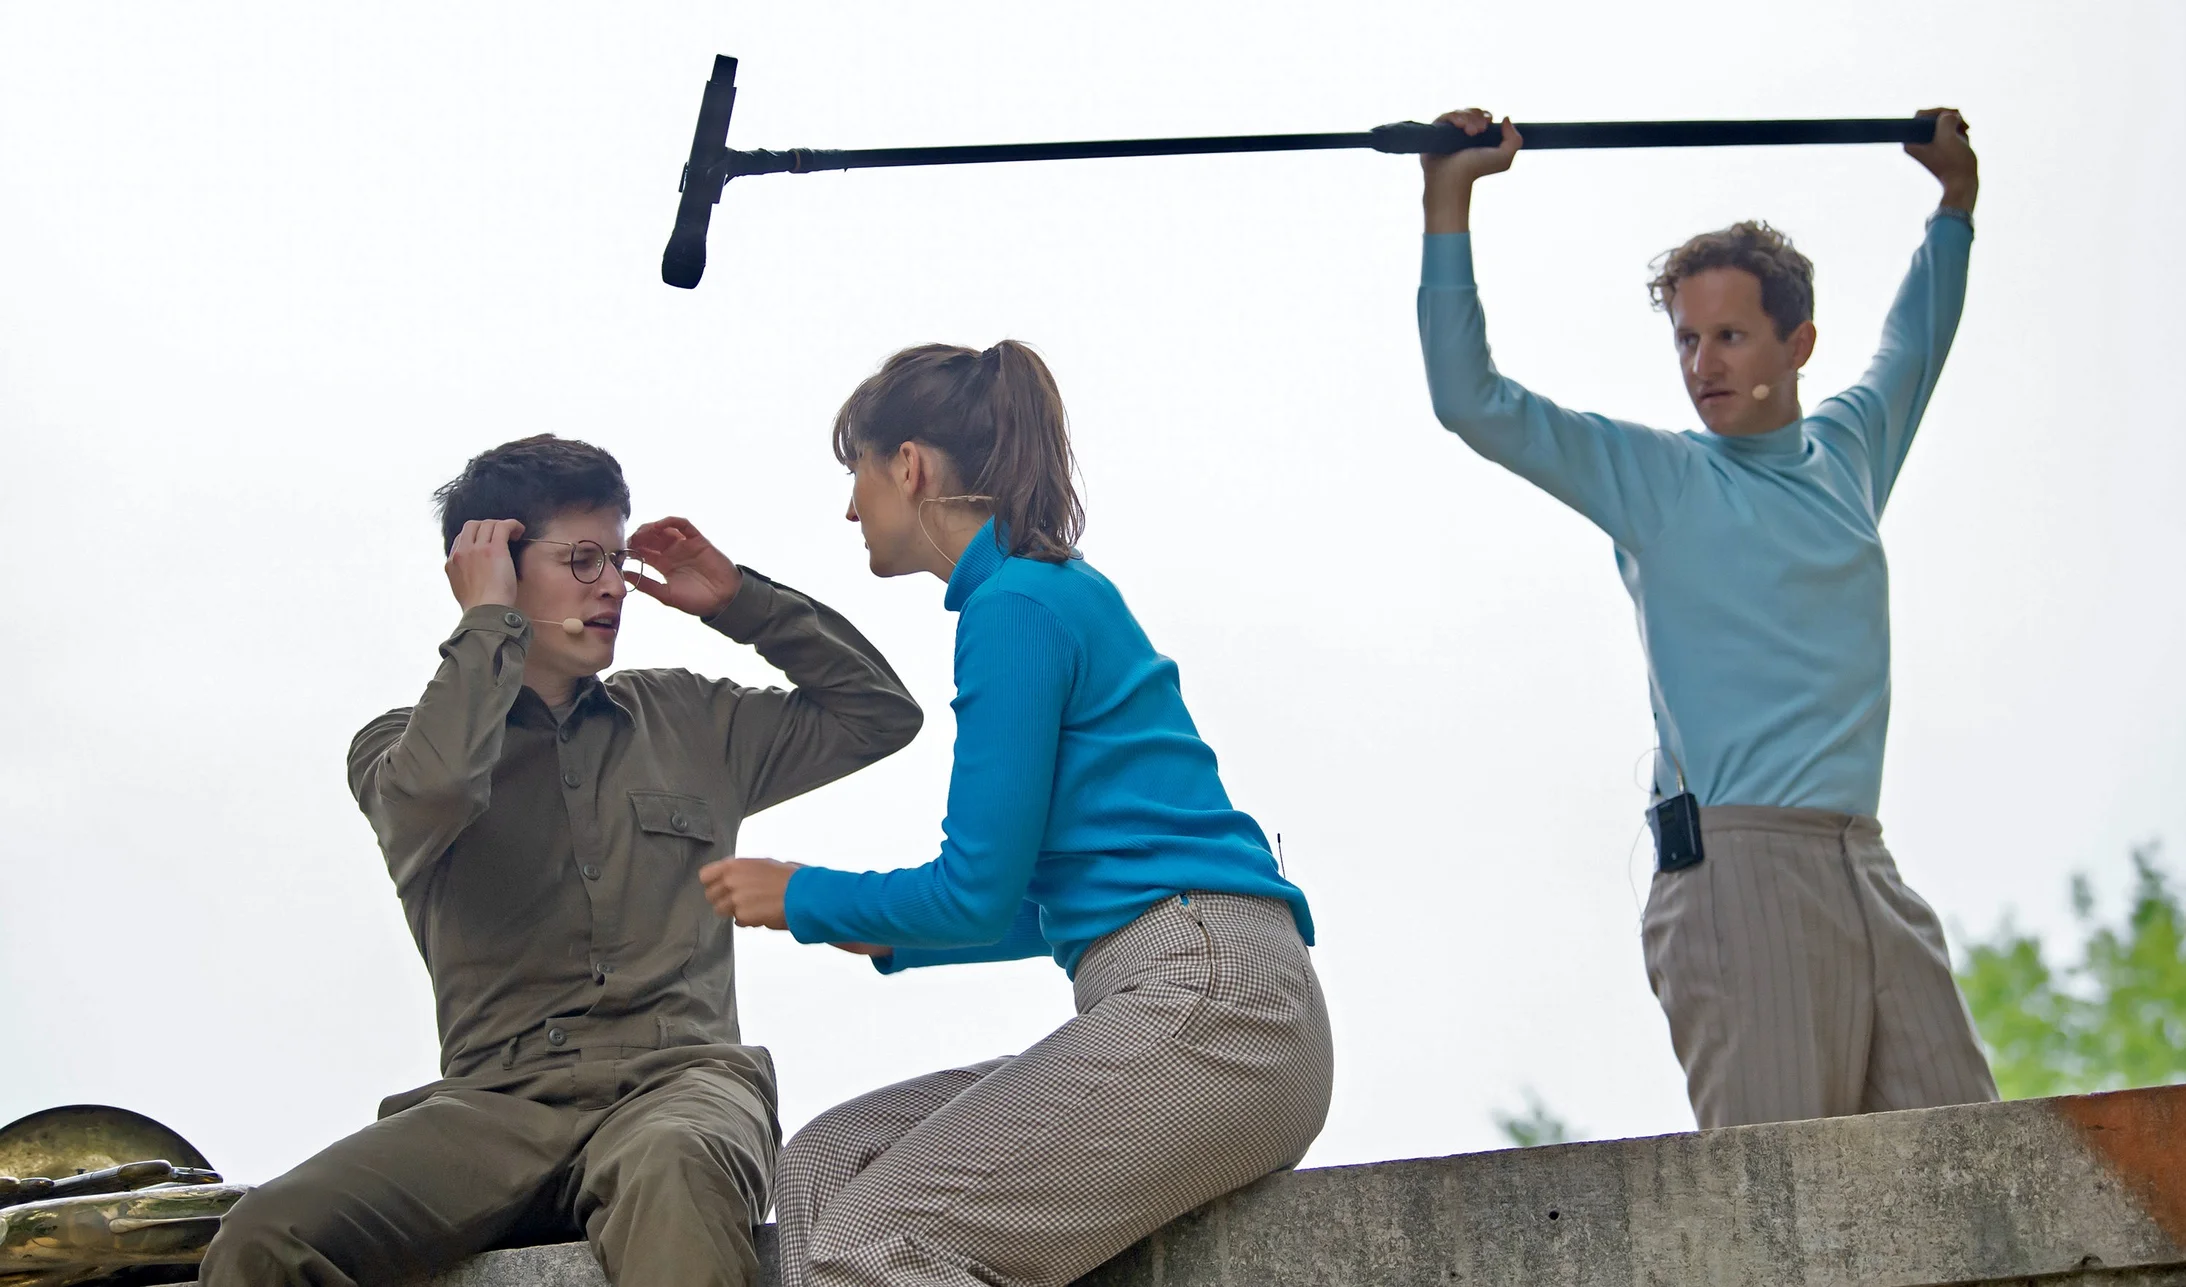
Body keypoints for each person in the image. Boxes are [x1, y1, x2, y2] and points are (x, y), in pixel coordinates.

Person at [200, 434, 922, 1287]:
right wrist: (487, 627)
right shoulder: (397, 745)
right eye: (582, 559)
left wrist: (741, 602)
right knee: (261, 1238)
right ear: (496, 567)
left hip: (679, 1087)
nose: (613, 583)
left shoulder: (687, 718)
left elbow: (878, 714)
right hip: (493, 1107)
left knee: (675, 1167)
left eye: (615, 558)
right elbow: (430, 797)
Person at [1415, 106, 1999, 1128]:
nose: (1701, 363)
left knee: (1976, 1170)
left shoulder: (1849, 450)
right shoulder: (1654, 478)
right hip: (1739, 875)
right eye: (1686, 338)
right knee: (1780, 1203)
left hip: (1861, 859)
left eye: (1728, 335)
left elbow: (1918, 337)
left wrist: (1952, 201)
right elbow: (1474, 403)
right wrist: (1446, 203)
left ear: (1797, 340)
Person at [703, 342, 1333, 1287]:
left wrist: (805, 895)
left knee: (875, 1243)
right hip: (1189, 994)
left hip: (1213, 1002)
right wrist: (889, 939)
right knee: (830, 1165)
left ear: (908, 465)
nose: (850, 507)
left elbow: (971, 890)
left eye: (858, 474)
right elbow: (1038, 908)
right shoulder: (1042, 593)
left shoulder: (1016, 606)